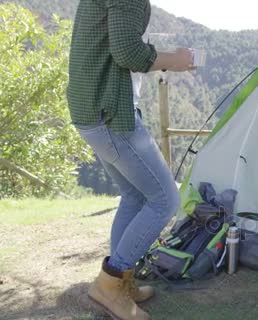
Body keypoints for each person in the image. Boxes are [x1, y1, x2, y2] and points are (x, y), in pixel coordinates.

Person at [66, 1, 195, 319]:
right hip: (110, 116)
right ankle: (110, 285)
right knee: (165, 199)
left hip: (91, 112)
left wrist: (160, 57)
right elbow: (127, 53)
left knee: (135, 196)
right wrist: (175, 61)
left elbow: (118, 47)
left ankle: (120, 279)